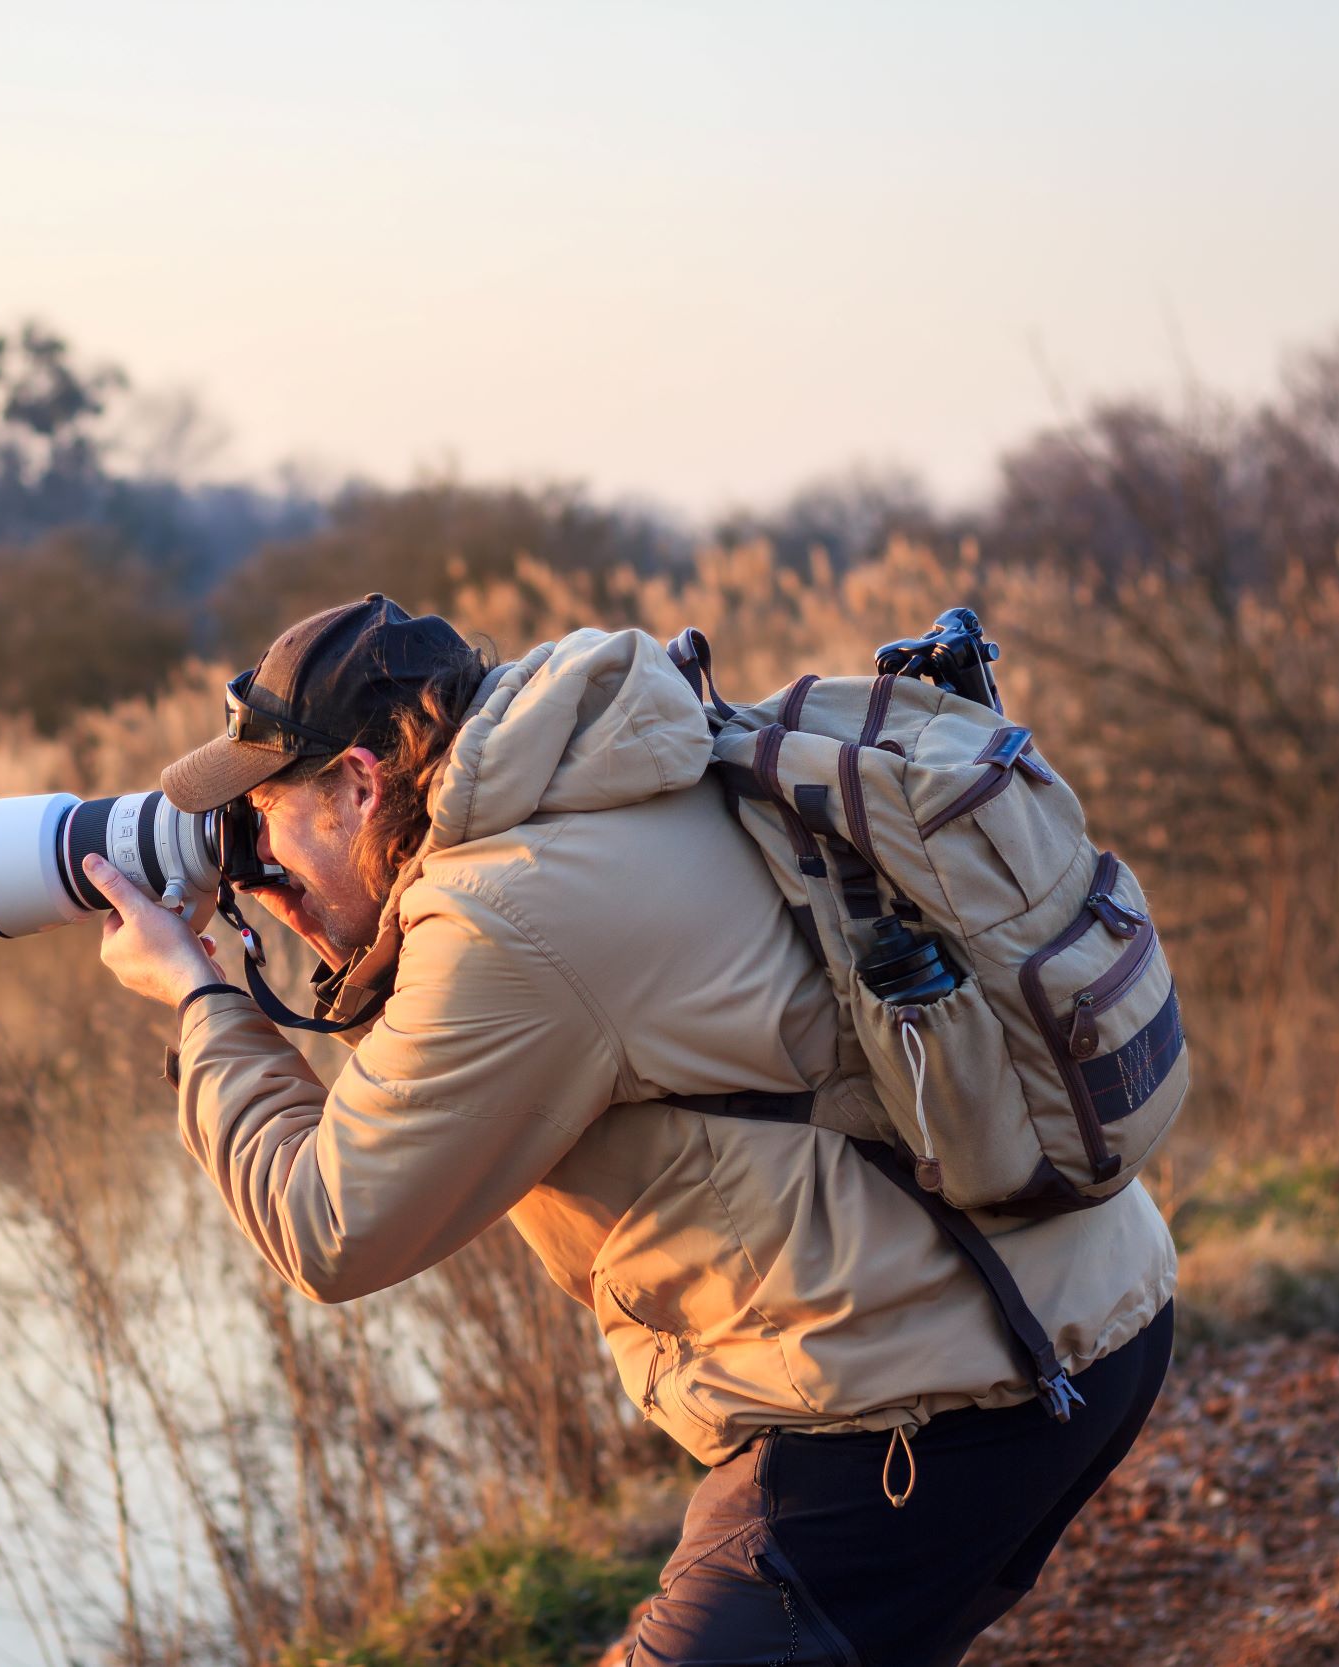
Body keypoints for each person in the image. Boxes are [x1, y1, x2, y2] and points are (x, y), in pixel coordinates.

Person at [81, 593, 1177, 1667]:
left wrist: (198, 999)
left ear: (359, 786)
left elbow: (327, 1225)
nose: (246, 846)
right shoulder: (627, 763)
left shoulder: (508, 910)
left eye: (264, 809)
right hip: (1091, 1316)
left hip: (921, 1413)